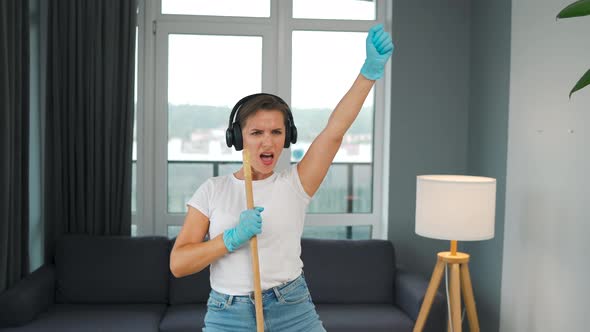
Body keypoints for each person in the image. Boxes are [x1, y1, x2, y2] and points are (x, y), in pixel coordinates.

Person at [170, 24, 394, 332]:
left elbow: (334, 132)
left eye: (276, 132)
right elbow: (179, 264)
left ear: (287, 137)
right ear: (238, 138)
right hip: (228, 315)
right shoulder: (212, 190)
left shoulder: (295, 184)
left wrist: (367, 74)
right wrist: (231, 238)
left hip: (292, 308)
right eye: (256, 132)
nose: (268, 142)